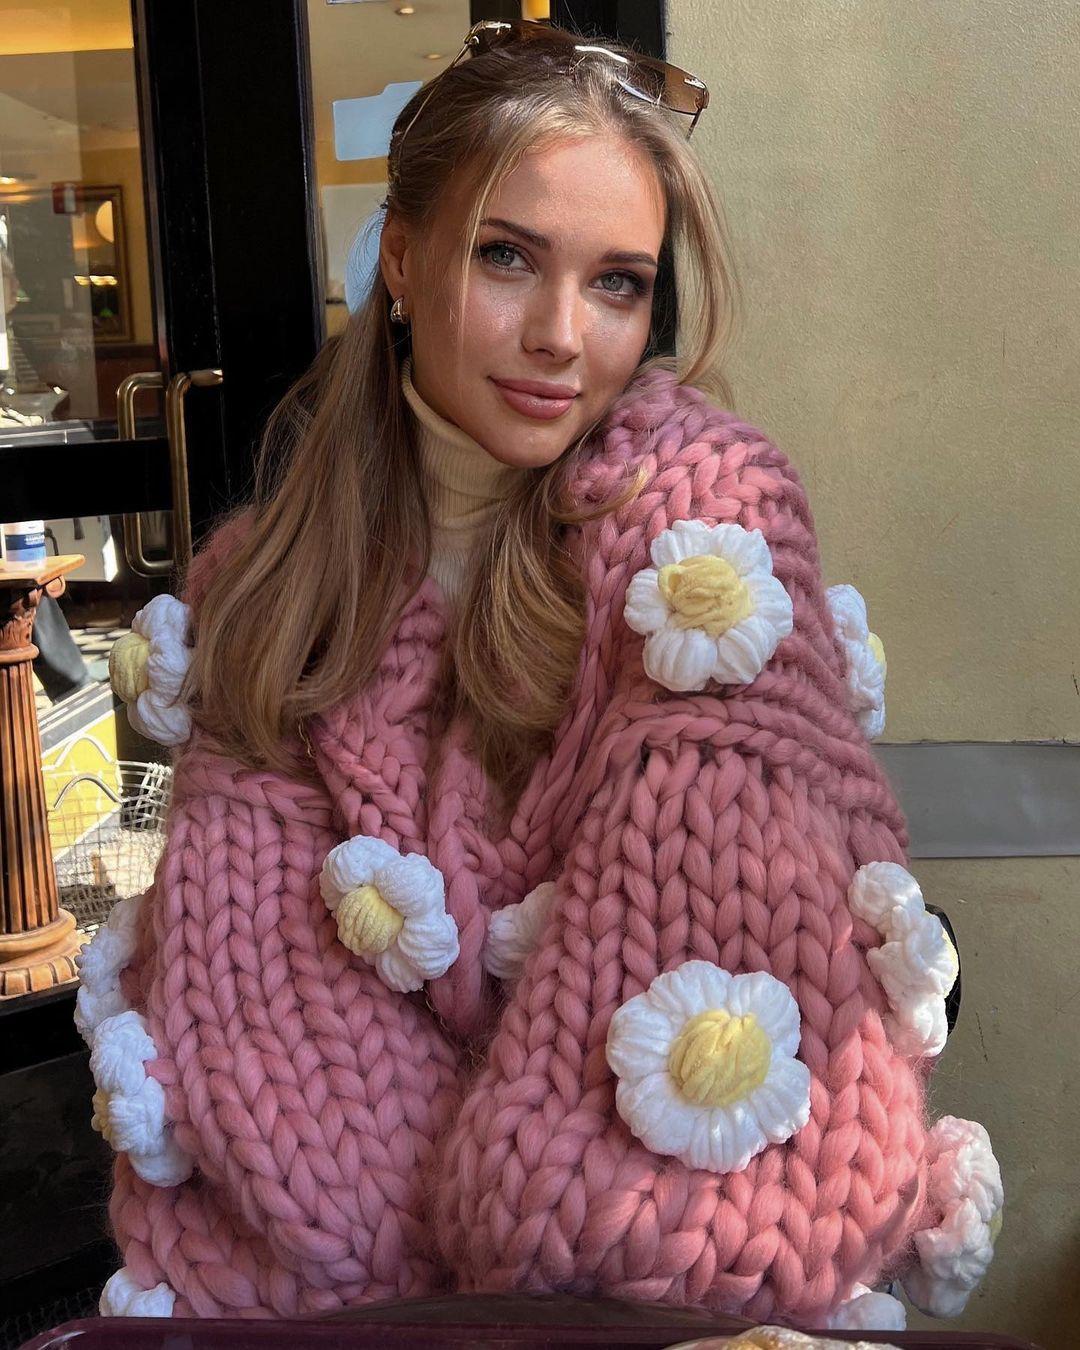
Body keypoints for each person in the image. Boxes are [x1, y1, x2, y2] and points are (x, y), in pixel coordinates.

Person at [79, 20, 1001, 1329]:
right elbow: (255, 1034)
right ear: (403, 259)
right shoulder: (270, 590)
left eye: (618, 283)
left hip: (640, 1298)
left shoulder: (708, 554)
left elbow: (724, 1014)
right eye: (506, 256)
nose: (563, 335)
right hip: (342, 1300)